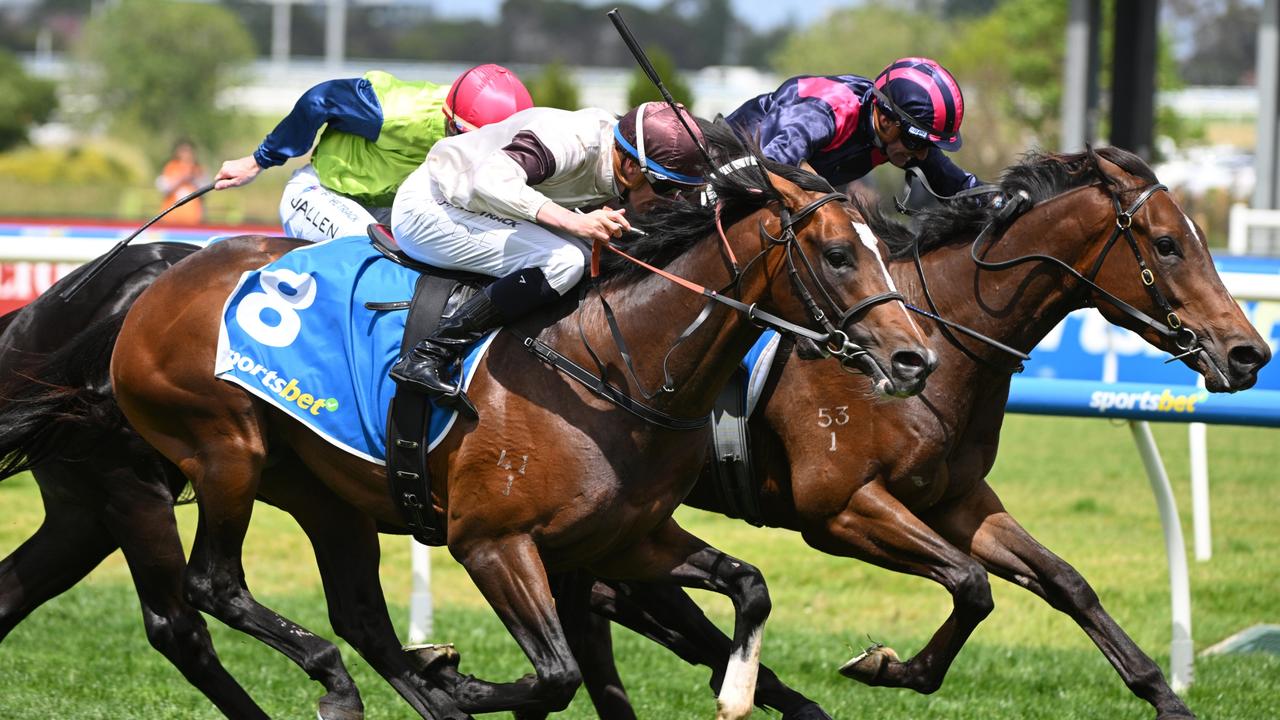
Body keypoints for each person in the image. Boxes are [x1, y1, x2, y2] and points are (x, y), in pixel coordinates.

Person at [387, 102, 707, 403]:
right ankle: (428, 355)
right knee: (565, 262)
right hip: (432, 207)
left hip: (477, 207)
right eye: (666, 188)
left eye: (686, 192)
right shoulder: (573, 142)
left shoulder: (620, 155)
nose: (674, 201)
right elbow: (489, 179)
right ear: (630, 166)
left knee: (595, 255)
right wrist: (572, 221)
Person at [213, 64, 534, 242]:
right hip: (323, 193)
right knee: (373, 253)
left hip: (388, 208)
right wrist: (259, 160)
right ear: (452, 124)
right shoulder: (399, 112)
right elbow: (318, 100)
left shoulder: (487, 127)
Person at [727, 57, 981, 198]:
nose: (924, 155)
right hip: (722, 173)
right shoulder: (827, 112)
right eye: (919, 142)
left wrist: (999, 200)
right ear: (885, 121)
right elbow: (770, 167)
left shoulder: (896, 136)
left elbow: (959, 185)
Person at [156, 138, 208, 226]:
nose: (186, 154)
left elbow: (206, 189)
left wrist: (193, 178)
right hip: (170, 219)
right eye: (183, 151)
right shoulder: (170, 167)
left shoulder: (198, 169)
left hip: (194, 219)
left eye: (188, 151)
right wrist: (181, 178)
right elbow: (163, 187)